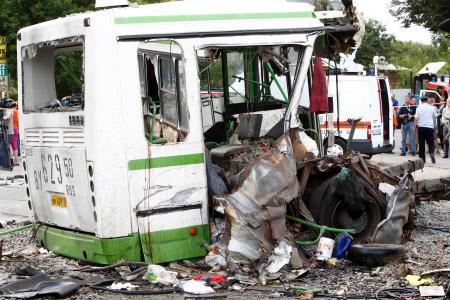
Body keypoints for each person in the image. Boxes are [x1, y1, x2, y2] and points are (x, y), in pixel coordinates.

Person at [414, 96, 438, 163]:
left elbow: (416, 118)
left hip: (421, 127)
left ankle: (422, 160)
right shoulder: (431, 108)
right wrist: (435, 126)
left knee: (421, 144)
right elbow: (434, 117)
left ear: (421, 101)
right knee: (431, 143)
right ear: (427, 100)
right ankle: (431, 153)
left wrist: (414, 127)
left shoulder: (418, 108)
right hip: (430, 127)